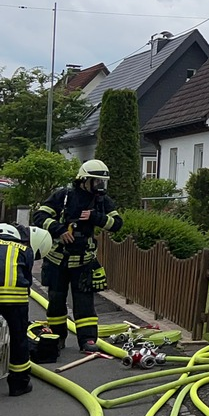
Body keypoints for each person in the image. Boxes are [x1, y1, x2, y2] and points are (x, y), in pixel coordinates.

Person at [32, 159, 123, 353]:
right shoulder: (63, 196)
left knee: (84, 302)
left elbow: (117, 224)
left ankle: (88, 340)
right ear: (83, 180)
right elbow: (39, 216)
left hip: (83, 261)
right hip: (57, 259)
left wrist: (95, 217)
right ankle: (56, 337)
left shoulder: (101, 201)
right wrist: (59, 229)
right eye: (96, 182)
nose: (100, 186)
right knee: (56, 301)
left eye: (102, 182)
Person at [0, 223, 53, 396]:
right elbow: (27, 279)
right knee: (18, 340)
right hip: (15, 301)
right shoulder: (25, 249)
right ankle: (19, 384)